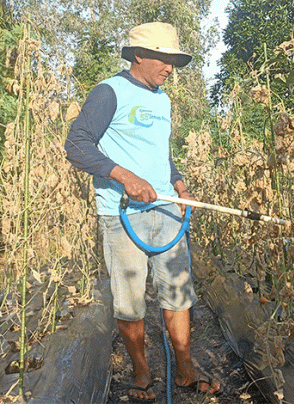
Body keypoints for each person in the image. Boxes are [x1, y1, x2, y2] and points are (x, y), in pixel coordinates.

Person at [64, 22, 221, 403]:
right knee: (130, 302)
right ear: (138, 55)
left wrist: (179, 184)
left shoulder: (163, 99)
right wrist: (123, 176)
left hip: (167, 211)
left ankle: (184, 371)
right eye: (164, 60)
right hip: (123, 216)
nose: (170, 68)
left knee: (179, 294)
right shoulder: (109, 92)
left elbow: (160, 154)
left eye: (174, 61)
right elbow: (77, 144)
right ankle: (141, 373)